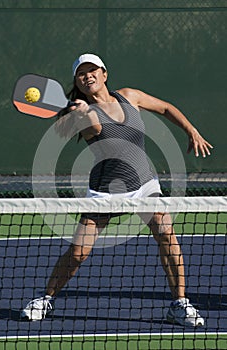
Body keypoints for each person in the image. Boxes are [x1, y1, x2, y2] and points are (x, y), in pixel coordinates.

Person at [21, 53, 213, 326]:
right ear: (78, 81)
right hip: (106, 191)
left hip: (144, 183)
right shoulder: (84, 113)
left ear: (104, 74)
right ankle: (45, 298)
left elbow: (165, 108)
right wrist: (80, 115)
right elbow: (80, 129)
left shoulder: (129, 96)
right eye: (81, 73)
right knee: (78, 253)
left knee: (167, 234)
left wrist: (191, 130)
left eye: (92, 70)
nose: (88, 76)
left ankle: (180, 304)